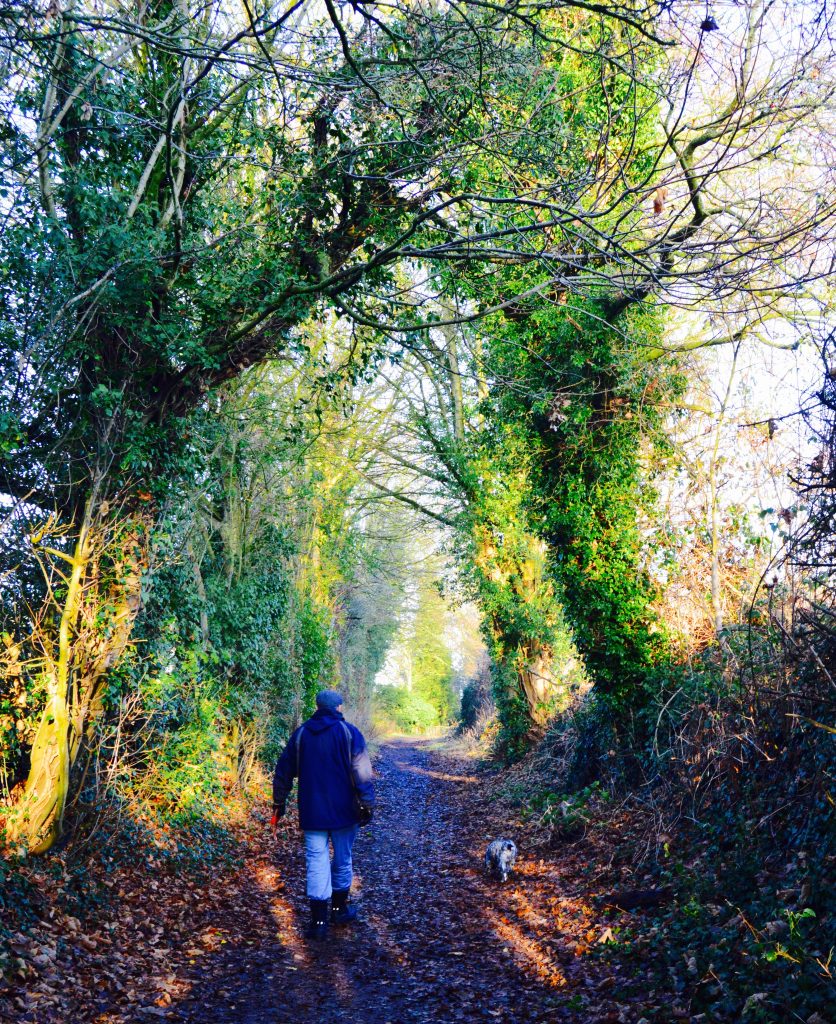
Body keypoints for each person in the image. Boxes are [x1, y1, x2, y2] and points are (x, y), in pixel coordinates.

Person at [271, 690, 375, 940]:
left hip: (312, 811)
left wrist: (279, 801)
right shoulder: (349, 732)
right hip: (345, 810)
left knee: (316, 861)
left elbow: (283, 770)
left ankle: (318, 922)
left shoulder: (301, 734)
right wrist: (367, 803)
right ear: (338, 707)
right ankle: (339, 910)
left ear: (317, 707)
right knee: (343, 858)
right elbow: (361, 770)